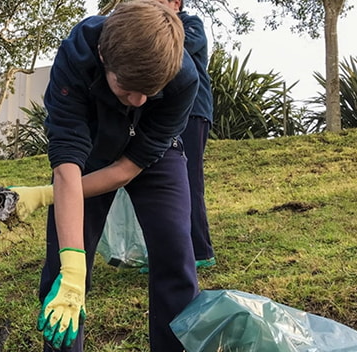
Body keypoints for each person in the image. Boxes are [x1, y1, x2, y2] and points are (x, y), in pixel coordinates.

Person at [14, 0, 199, 350]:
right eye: (126, 87)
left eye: (150, 91)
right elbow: (67, 164)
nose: (139, 100)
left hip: (154, 155)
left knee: (175, 249)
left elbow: (128, 169)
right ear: (103, 56)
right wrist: (73, 265)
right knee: (63, 261)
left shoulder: (183, 77)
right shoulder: (76, 56)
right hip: (90, 150)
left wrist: (44, 194)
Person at [158, 0, 216, 269]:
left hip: (192, 112)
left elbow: (173, 52)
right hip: (164, 114)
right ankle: (169, 252)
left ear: (176, 3)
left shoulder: (191, 26)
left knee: (190, 180)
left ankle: (201, 251)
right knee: (165, 185)